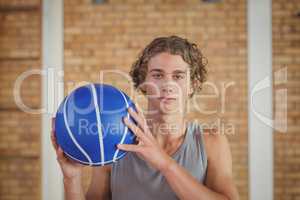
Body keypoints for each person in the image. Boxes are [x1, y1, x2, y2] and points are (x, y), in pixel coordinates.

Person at [51, 35, 239, 200]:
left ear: (192, 84)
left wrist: (164, 164)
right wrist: (71, 179)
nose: (167, 85)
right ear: (144, 82)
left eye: (178, 76)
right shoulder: (114, 143)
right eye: (158, 75)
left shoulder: (211, 142)